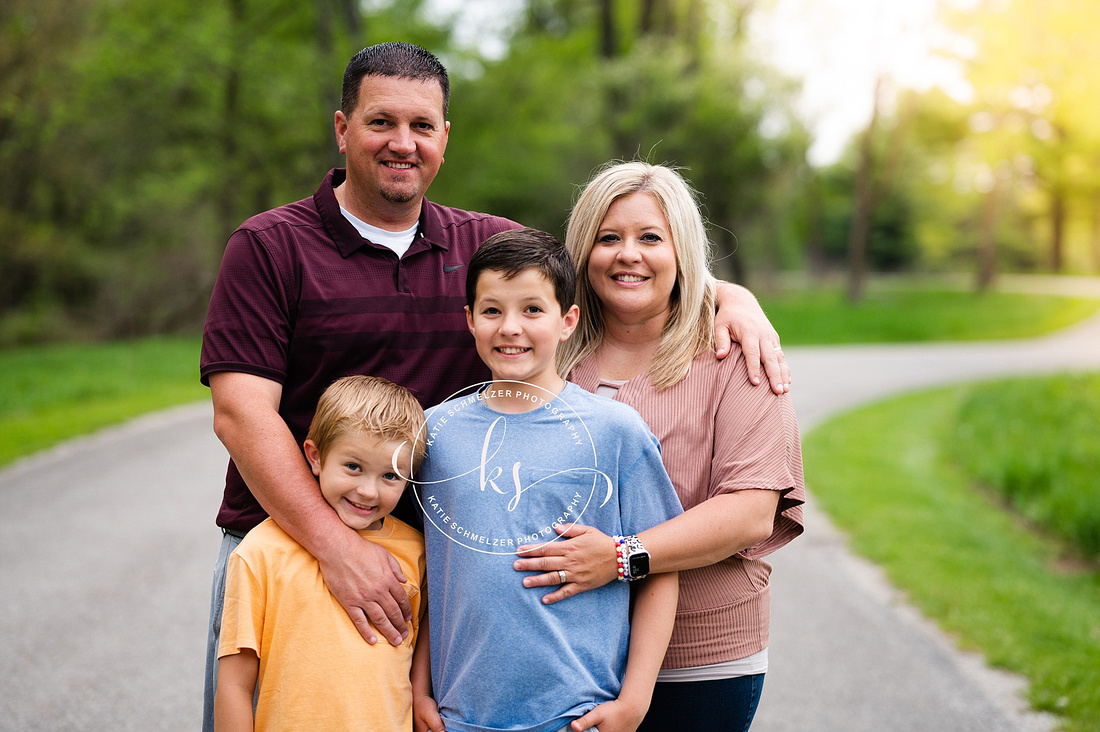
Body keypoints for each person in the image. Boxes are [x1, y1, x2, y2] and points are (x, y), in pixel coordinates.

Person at [200, 41, 787, 730]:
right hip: (290, 545)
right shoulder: (270, 246)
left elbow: (619, 265)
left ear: (445, 137)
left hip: (423, 566)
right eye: (381, 121)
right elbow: (242, 416)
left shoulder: (484, 247)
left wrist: (729, 296)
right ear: (342, 128)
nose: (403, 143)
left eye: (422, 126)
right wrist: (338, 549)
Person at [511, 162, 806, 732]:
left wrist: (620, 557)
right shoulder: (549, 352)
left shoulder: (734, 354)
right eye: (608, 237)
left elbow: (749, 511)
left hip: (700, 659)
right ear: (582, 251)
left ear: (682, 251)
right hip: (562, 653)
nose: (628, 254)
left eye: (650, 237)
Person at [411, 228, 682, 732]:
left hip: (576, 716)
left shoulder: (615, 432)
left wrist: (635, 701)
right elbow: (435, 575)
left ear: (567, 321)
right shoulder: (433, 434)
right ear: (469, 321)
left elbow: (661, 569)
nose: (510, 327)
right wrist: (417, 688)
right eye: (492, 311)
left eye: (532, 310)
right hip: (459, 717)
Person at [214, 375, 427, 731]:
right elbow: (234, 685)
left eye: (390, 476)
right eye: (354, 467)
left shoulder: (417, 553)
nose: (368, 491)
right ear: (315, 457)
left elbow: (421, 660)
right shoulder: (260, 552)